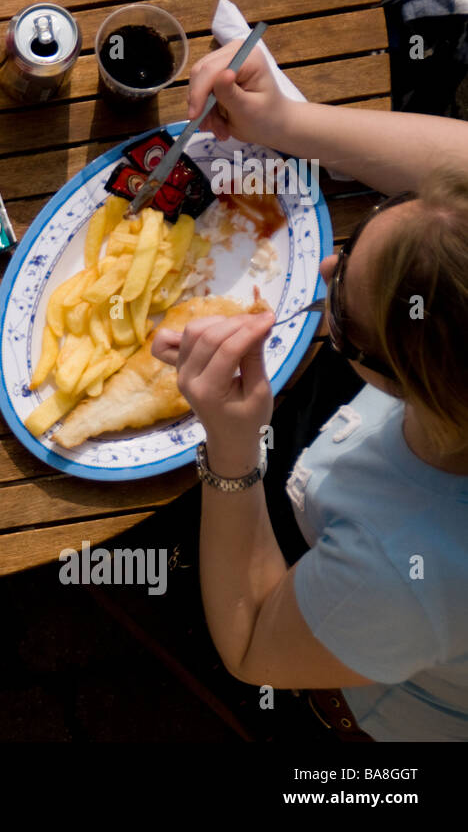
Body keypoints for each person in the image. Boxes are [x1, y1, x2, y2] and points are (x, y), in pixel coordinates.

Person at [151, 41, 468, 740]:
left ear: (403, 383)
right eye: (354, 242)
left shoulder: (408, 572)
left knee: (161, 549)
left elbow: (253, 643)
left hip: (362, 674)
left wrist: (232, 450)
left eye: (343, 314)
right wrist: (284, 124)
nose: (325, 263)